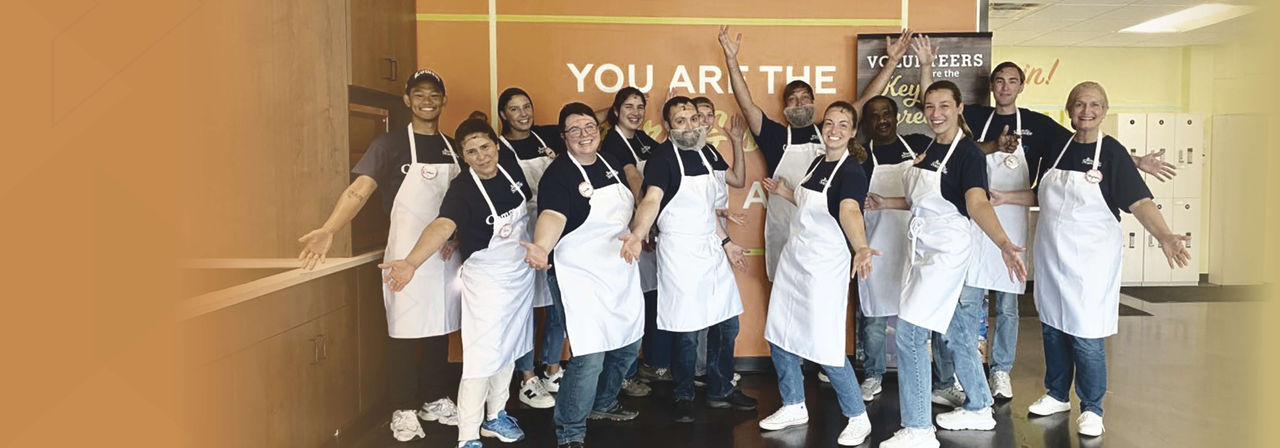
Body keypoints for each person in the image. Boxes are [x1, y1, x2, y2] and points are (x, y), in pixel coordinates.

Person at [914, 36, 1178, 400]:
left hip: (1014, 220)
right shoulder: (972, 116)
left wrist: (1136, 163)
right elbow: (937, 108)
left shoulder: (1040, 126)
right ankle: (972, 376)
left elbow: (1091, 146)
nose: (1005, 87)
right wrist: (926, 66)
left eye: (1012, 81)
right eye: (999, 80)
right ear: (991, 87)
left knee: (1008, 305)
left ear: (1022, 87)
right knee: (972, 303)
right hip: (978, 220)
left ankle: (1002, 371)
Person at [988, 82, 1190, 437]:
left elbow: (1139, 202)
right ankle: (1056, 393)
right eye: (1079, 104)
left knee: (1086, 334)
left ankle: (1092, 406)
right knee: (1052, 327)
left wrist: (1165, 235)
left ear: (1104, 110)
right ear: (1069, 109)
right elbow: (1041, 192)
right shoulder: (1055, 146)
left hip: (1092, 260)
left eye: (1094, 105)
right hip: (1052, 254)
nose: (1086, 111)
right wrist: (1005, 197)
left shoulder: (1112, 153)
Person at [297, 68, 463, 442]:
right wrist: (329, 229)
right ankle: (402, 408)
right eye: (419, 94)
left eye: (434, 95)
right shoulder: (388, 145)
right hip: (402, 253)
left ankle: (434, 398)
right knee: (404, 332)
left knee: (440, 326)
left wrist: (459, 234)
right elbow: (360, 190)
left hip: (444, 255)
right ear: (407, 100)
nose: (426, 101)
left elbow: (466, 201)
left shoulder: (453, 146)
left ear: (443, 100)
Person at [867, 81, 1026, 447]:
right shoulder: (929, 149)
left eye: (944, 106)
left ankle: (919, 428)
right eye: (929, 106)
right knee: (956, 331)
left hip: (947, 252)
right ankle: (981, 405)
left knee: (909, 334)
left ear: (959, 109)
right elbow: (923, 202)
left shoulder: (967, 154)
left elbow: (976, 202)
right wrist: (885, 203)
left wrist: (1002, 242)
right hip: (923, 246)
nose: (936, 113)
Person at [380, 117, 536, 448]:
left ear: (496, 145)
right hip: (486, 280)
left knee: (507, 350)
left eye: (485, 147)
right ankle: (467, 435)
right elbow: (443, 224)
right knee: (481, 357)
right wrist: (411, 262)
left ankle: (495, 416)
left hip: (519, 278)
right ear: (463, 156)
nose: (481, 156)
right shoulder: (463, 189)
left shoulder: (510, 170)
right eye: (471, 151)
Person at [718, 25, 914, 281]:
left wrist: (893, 61)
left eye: (804, 97)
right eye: (792, 99)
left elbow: (867, 100)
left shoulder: (830, 131)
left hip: (826, 236)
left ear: (813, 102)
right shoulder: (774, 137)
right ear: (784, 106)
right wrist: (731, 60)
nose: (799, 103)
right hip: (786, 232)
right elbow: (746, 102)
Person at [519, 103, 646, 448]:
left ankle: (603, 403)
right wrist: (542, 246)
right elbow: (553, 215)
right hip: (578, 274)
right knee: (589, 355)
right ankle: (570, 431)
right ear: (564, 137)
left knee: (628, 344)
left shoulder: (610, 162)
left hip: (618, 269)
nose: (583, 134)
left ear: (598, 129)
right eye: (574, 130)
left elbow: (633, 187)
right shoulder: (558, 174)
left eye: (588, 126)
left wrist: (640, 220)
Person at [622, 96, 754, 423]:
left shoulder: (708, 152)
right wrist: (638, 235)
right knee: (688, 329)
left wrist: (727, 243)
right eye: (680, 121)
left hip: (711, 247)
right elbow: (651, 199)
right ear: (668, 126)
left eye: (693, 118)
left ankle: (721, 388)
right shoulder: (662, 159)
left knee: (727, 324)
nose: (689, 126)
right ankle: (684, 394)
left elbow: (712, 209)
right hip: (680, 252)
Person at [757, 101, 878, 446]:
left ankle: (858, 416)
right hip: (795, 260)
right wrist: (783, 192)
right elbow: (810, 200)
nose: (834, 129)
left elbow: (849, 209)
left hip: (825, 267)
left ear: (853, 131)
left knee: (825, 343)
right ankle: (794, 403)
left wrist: (862, 247)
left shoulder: (851, 170)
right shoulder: (817, 161)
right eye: (829, 123)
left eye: (843, 124)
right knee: (778, 331)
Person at [854, 95, 935, 403]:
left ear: (896, 115)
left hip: (916, 244)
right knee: (874, 317)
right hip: (877, 245)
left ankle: (926, 376)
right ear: (867, 124)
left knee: (918, 313)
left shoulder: (917, 144)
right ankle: (873, 375)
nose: (882, 120)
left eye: (887, 113)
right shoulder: (861, 158)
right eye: (874, 116)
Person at [495, 87, 567, 409]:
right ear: (503, 115)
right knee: (523, 306)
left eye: (527, 106)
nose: (523, 113)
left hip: (555, 227)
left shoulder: (548, 136)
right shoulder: (499, 147)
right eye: (514, 109)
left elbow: (589, 118)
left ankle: (552, 367)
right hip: (521, 231)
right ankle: (526, 377)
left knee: (555, 302)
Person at [599, 87, 668, 396]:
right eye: (629, 106)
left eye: (640, 107)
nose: (636, 112)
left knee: (649, 298)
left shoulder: (640, 138)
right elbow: (635, 179)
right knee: (628, 304)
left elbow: (664, 160)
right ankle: (623, 376)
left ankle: (650, 363)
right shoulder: (613, 142)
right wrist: (644, 227)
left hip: (645, 229)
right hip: (628, 230)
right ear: (615, 110)